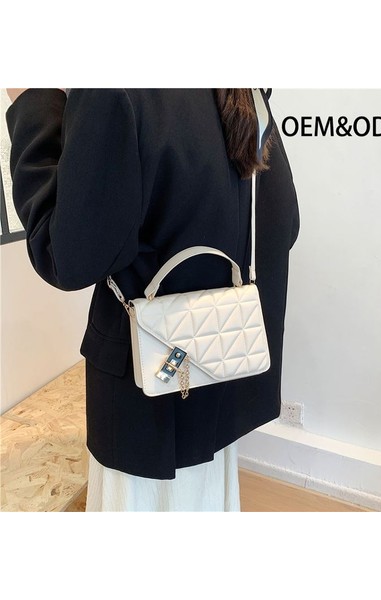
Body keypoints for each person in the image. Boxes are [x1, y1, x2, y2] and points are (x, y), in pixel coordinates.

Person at [5, 88, 300, 511]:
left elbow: (65, 258)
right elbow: (283, 224)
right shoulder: (235, 84)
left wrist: (35, 102)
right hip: (217, 370)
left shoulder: (115, 87)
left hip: (148, 395)